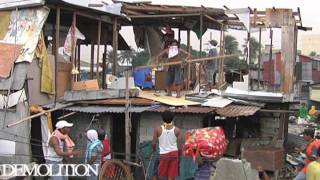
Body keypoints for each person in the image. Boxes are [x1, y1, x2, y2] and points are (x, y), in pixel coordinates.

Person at [152, 110, 182, 180]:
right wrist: (179, 156)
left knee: (159, 174)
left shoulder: (158, 129)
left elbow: (153, 144)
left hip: (163, 155)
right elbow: (180, 147)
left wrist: (154, 150)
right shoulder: (177, 130)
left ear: (162, 118)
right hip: (174, 155)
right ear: (172, 118)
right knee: (171, 176)